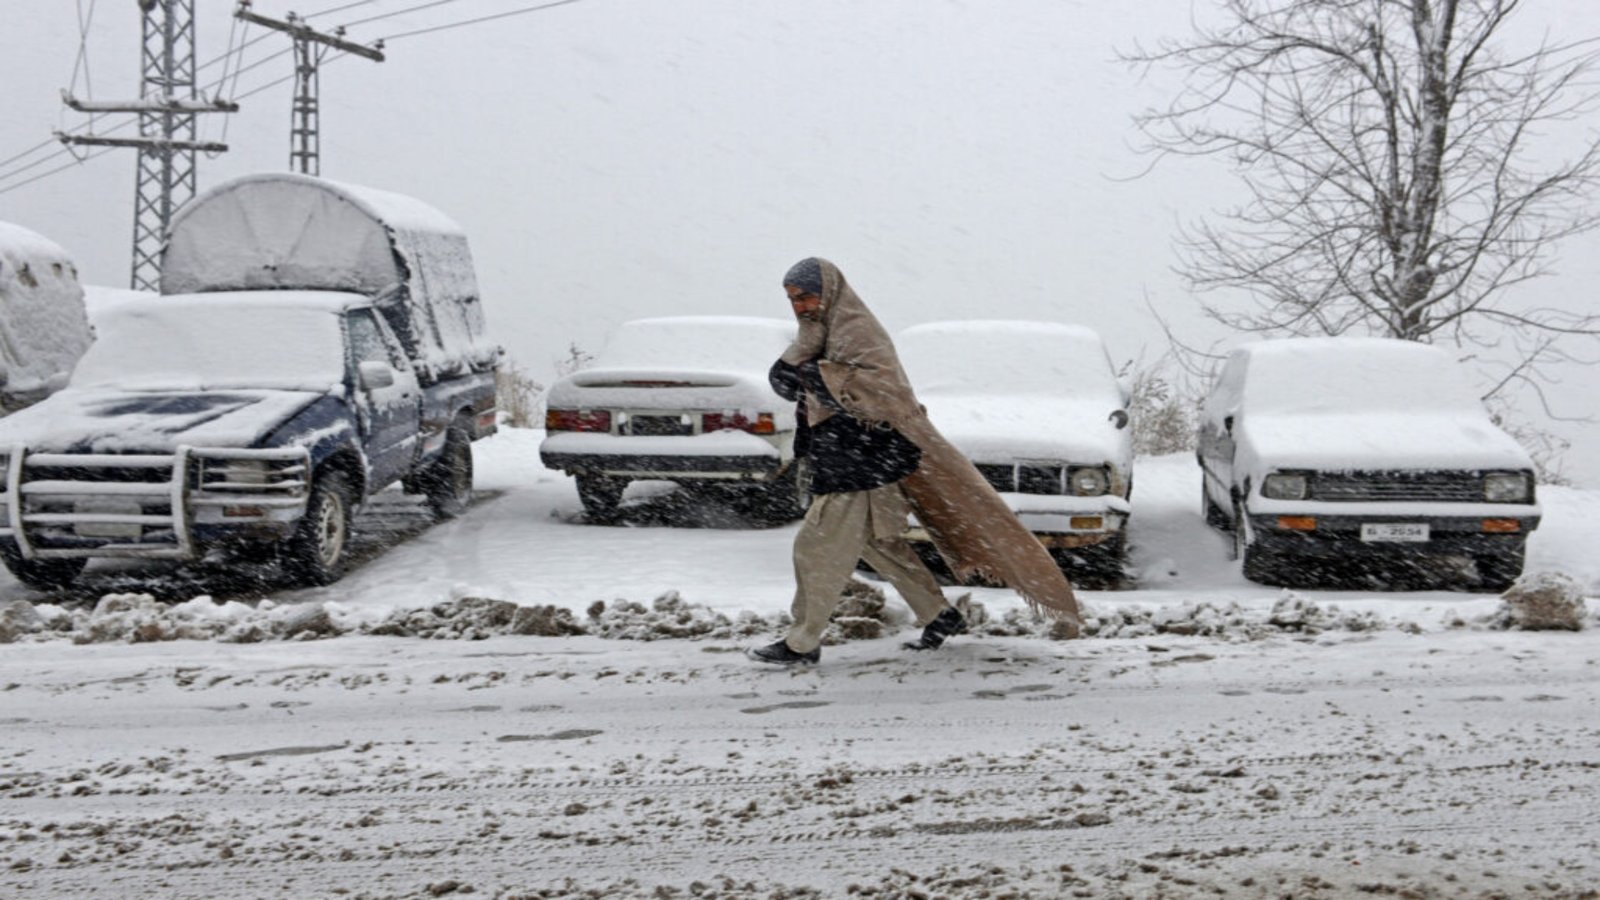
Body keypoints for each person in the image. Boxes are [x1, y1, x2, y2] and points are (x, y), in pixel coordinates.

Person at [749, 258, 1080, 667]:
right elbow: (798, 382)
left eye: (806, 296)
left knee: (815, 547)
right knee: (879, 544)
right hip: (846, 458)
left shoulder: (857, 330)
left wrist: (813, 375)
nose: (800, 306)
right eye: (793, 299)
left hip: (861, 461)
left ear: (830, 291)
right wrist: (799, 367)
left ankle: (802, 644)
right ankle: (940, 616)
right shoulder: (819, 332)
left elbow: (881, 390)